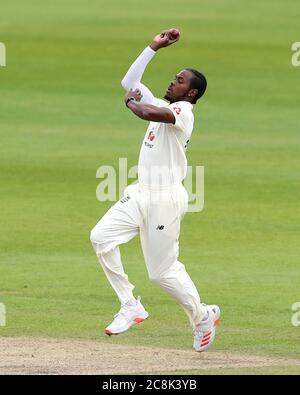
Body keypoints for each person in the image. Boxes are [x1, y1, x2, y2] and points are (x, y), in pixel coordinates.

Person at [90, 29, 220, 352]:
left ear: (190, 93)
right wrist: (154, 47)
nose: (172, 82)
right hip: (141, 192)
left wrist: (133, 105)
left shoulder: (183, 114)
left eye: (179, 81)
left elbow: (147, 111)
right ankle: (130, 304)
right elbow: (128, 82)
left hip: (165, 199)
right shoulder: (165, 104)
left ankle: (202, 315)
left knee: (161, 273)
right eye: (174, 78)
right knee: (100, 238)